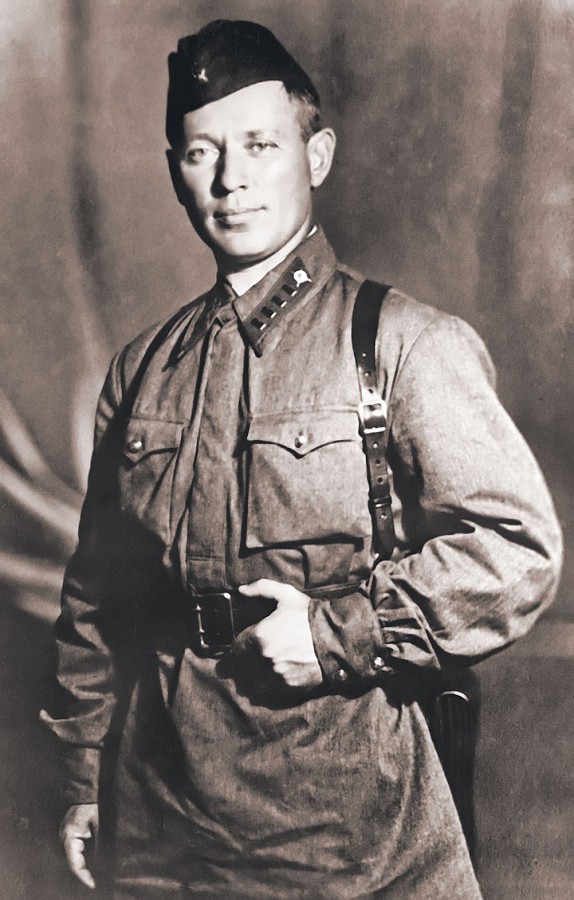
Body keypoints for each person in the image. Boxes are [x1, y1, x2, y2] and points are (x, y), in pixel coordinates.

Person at [42, 19, 563, 899]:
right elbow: (99, 595)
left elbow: (517, 551)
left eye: (259, 144)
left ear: (315, 157)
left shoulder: (401, 344)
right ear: (174, 172)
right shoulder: (142, 370)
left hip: (351, 835)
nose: (230, 179)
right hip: (161, 833)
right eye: (201, 152)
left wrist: (334, 635)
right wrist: (82, 775)